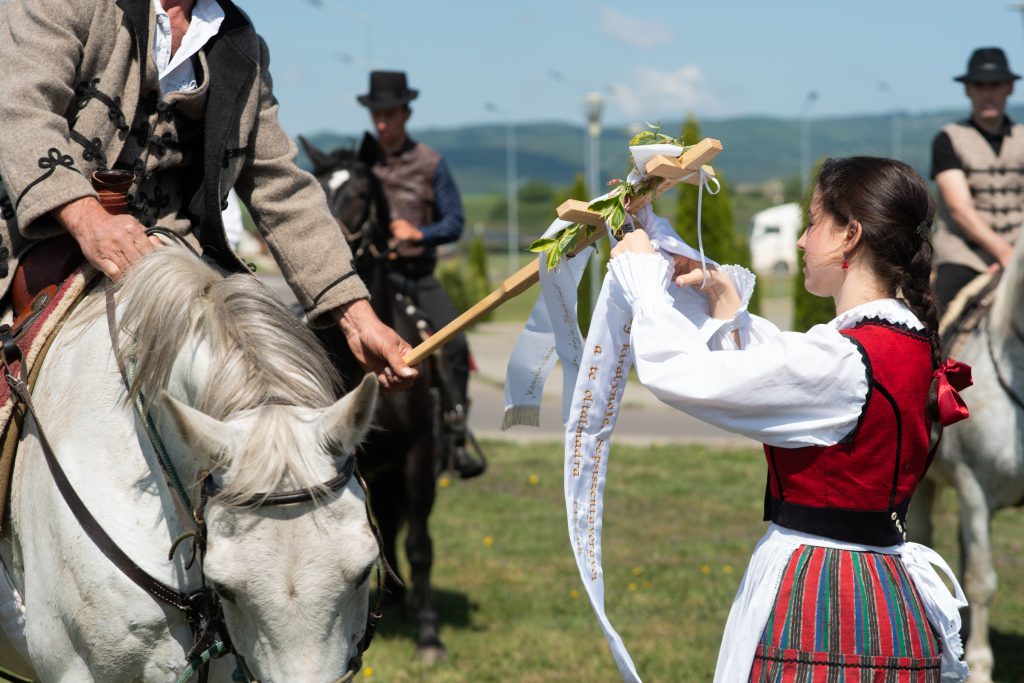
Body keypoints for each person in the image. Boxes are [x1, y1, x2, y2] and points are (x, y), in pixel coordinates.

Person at [608, 157, 970, 681]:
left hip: (824, 599)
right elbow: (782, 365)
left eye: (813, 222)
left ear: (850, 235)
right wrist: (716, 292)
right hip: (884, 589)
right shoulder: (900, 342)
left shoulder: (846, 360)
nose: (801, 241)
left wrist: (643, 283)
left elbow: (688, 376)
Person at [0, 0, 416, 392]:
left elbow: (281, 187)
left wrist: (358, 319)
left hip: (171, 264)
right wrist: (88, 219)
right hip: (32, 241)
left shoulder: (239, 45)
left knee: (275, 384)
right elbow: (19, 108)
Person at [356, 70, 485, 479]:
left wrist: (418, 233)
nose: (382, 123)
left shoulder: (432, 163)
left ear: (406, 113)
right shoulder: (362, 164)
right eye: (377, 115)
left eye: (390, 114)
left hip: (416, 276)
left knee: (455, 342)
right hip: (369, 280)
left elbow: (455, 222)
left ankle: (456, 427)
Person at [931, 46, 1024, 317]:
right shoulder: (948, 138)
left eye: (995, 85)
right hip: (965, 258)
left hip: (1021, 252)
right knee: (935, 323)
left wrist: (1018, 254)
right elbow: (960, 209)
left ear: (1009, 88)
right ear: (968, 90)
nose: (987, 93)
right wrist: (1004, 253)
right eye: (979, 85)